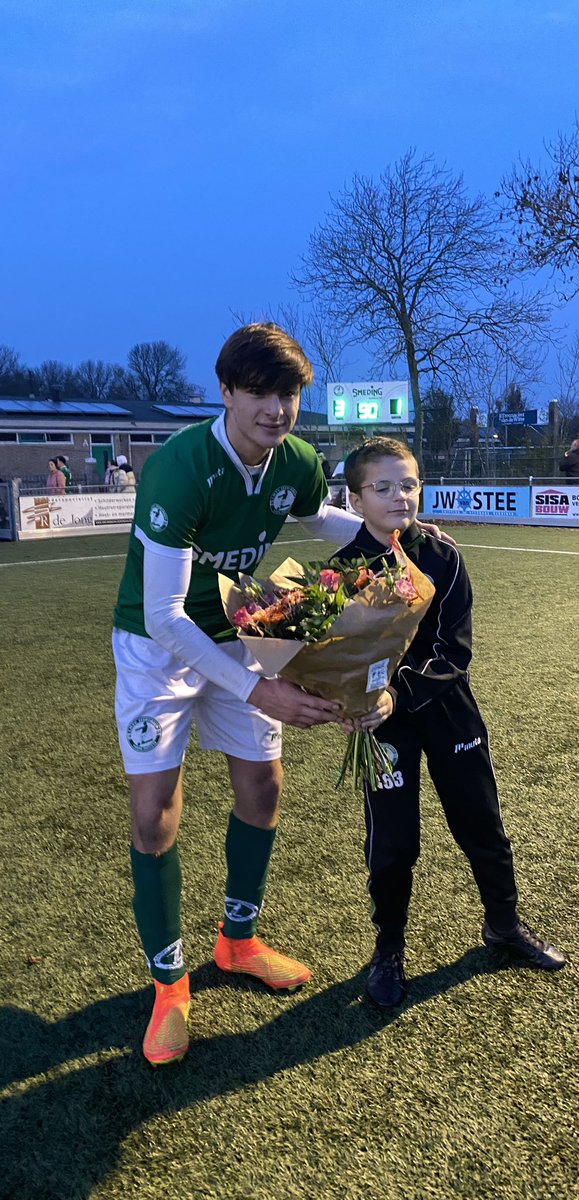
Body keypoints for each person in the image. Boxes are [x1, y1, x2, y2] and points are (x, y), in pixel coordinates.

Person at [112, 323, 374, 1067]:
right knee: (153, 812)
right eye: (258, 392)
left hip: (236, 632)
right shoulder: (179, 469)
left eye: (288, 392)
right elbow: (164, 617)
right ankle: (168, 985)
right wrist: (259, 690)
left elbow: (313, 514)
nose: (276, 408)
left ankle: (237, 942)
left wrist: (391, 529)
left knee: (261, 787)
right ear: (225, 391)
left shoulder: (292, 458)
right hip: (152, 648)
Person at [334, 437, 566, 1009]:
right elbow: (335, 656)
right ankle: (388, 950)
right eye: (382, 487)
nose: (399, 496)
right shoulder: (339, 573)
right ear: (356, 498)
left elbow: (453, 650)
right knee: (392, 843)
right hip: (382, 725)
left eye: (408, 484)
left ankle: (504, 925)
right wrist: (349, 700)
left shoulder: (442, 554)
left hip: (446, 709)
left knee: (481, 822)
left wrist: (396, 693)